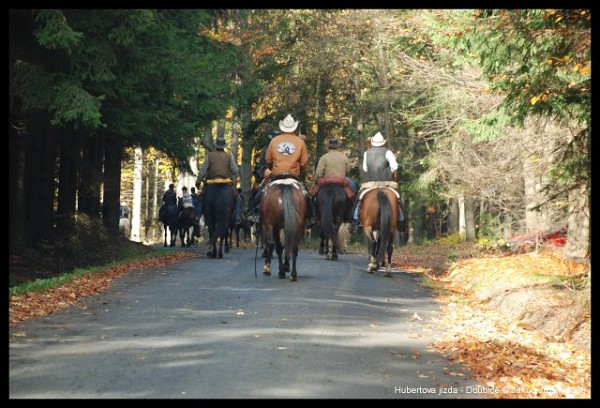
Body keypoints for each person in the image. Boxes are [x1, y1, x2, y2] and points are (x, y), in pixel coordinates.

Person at [247, 114, 315, 226]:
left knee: (260, 192)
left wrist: (271, 168)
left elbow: (268, 160)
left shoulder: (274, 141)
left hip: (276, 174)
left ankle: (254, 213)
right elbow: (303, 163)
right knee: (306, 194)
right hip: (293, 175)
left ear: (282, 128)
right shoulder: (300, 142)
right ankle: (310, 217)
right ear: (294, 127)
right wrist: (299, 169)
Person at [350, 131, 404, 233]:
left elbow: (365, 168)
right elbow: (395, 166)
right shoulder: (388, 152)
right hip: (386, 182)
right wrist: (389, 171)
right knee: (398, 199)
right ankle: (401, 220)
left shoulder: (367, 153)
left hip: (371, 183)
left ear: (372, 142)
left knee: (358, 199)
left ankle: (355, 221)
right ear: (383, 143)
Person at [312, 138, 355, 220]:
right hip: (340, 182)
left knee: (312, 195)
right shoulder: (344, 157)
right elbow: (348, 170)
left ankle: (313, 215)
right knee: (352, 195)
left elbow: (319, 173)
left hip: (326, 182)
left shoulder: (323, 157)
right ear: (337, 147)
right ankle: (350, 217)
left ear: (329, 147)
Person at [195, 136, 239, 206]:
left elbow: (203, 171)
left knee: (200, 198)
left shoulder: (209, 156)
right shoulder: (229, 156)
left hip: (211, 183)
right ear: (224, 146)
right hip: (225, 183)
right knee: (237, 198)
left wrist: (198, 181)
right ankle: (238, 215)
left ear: (216, 145)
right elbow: (235, 170)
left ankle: (198, 215)